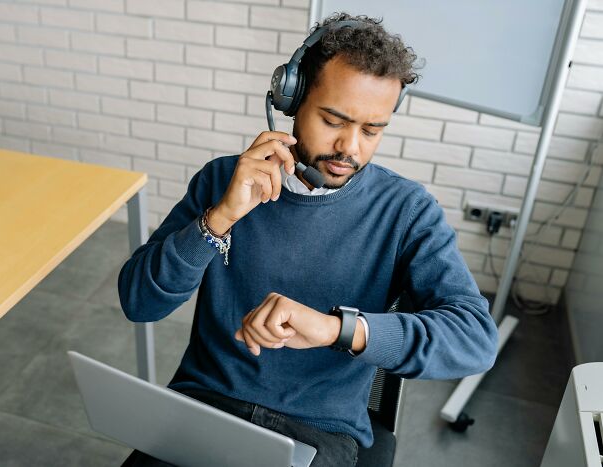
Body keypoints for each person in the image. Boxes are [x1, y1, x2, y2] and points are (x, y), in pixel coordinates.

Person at [118, 12, 498, 467]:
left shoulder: (408, 211)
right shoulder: (223, 180)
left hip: (320, 431)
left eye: (372, 130)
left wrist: (337, 329)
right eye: (334, 121)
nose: (350, 148)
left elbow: (475, 338)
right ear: (292, 99)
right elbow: (139, 303)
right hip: (206, 408)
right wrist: (218, 219)